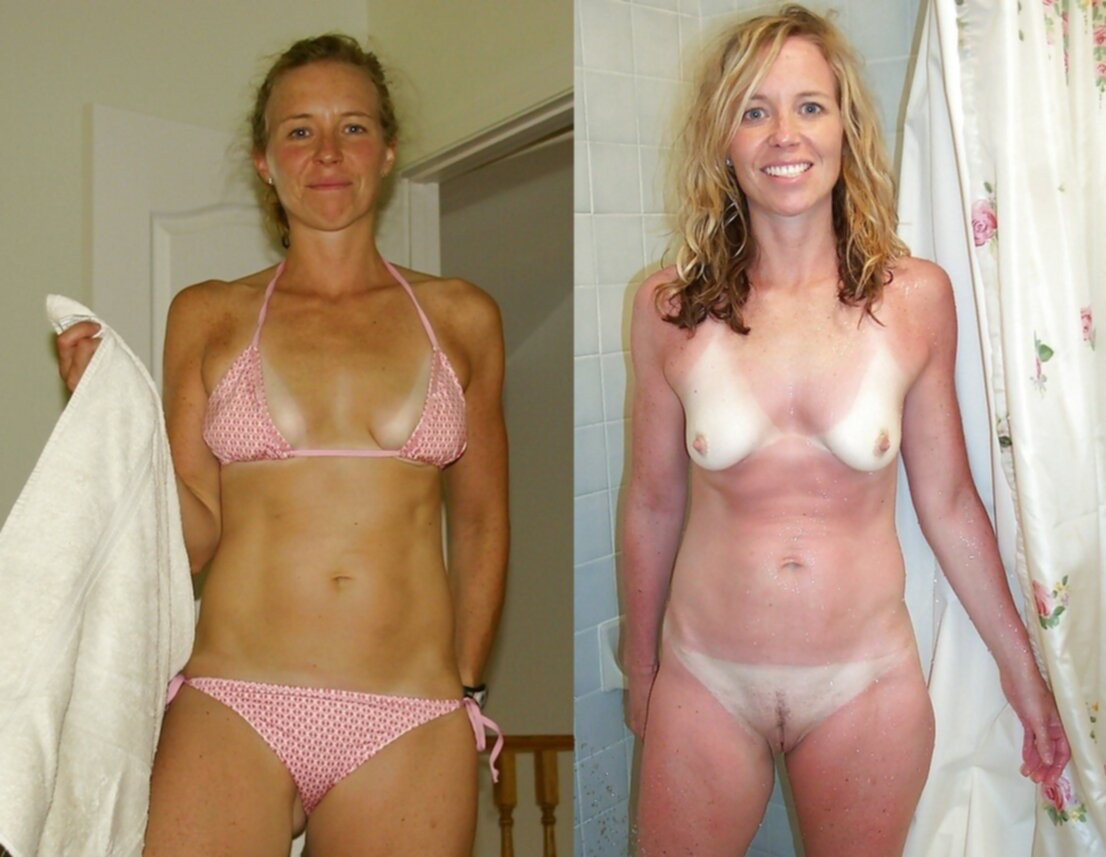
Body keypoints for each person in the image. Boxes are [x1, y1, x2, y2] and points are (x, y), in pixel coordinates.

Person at [621, 6, 1069, 855]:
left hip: (865, 687)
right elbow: (650, 503)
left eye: (809, 106)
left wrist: (1024, 673)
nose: (783, 135)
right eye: (754, 111)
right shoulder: (668, 308)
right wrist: (639, 669)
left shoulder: (916, 299)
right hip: (705, 677)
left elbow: (948, 502)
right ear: (723, 139)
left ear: (844, 128)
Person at [56, 34, 508, 856]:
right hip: (234, 703)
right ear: (264, 160)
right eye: (300, 131)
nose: (327, 152)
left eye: (353, 127)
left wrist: (466, 685)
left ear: (388, 150)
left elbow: (480, 520)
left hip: (408, 718)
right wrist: (113, 422)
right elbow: (192, 534)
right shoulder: (208, 315)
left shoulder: (462, 317)